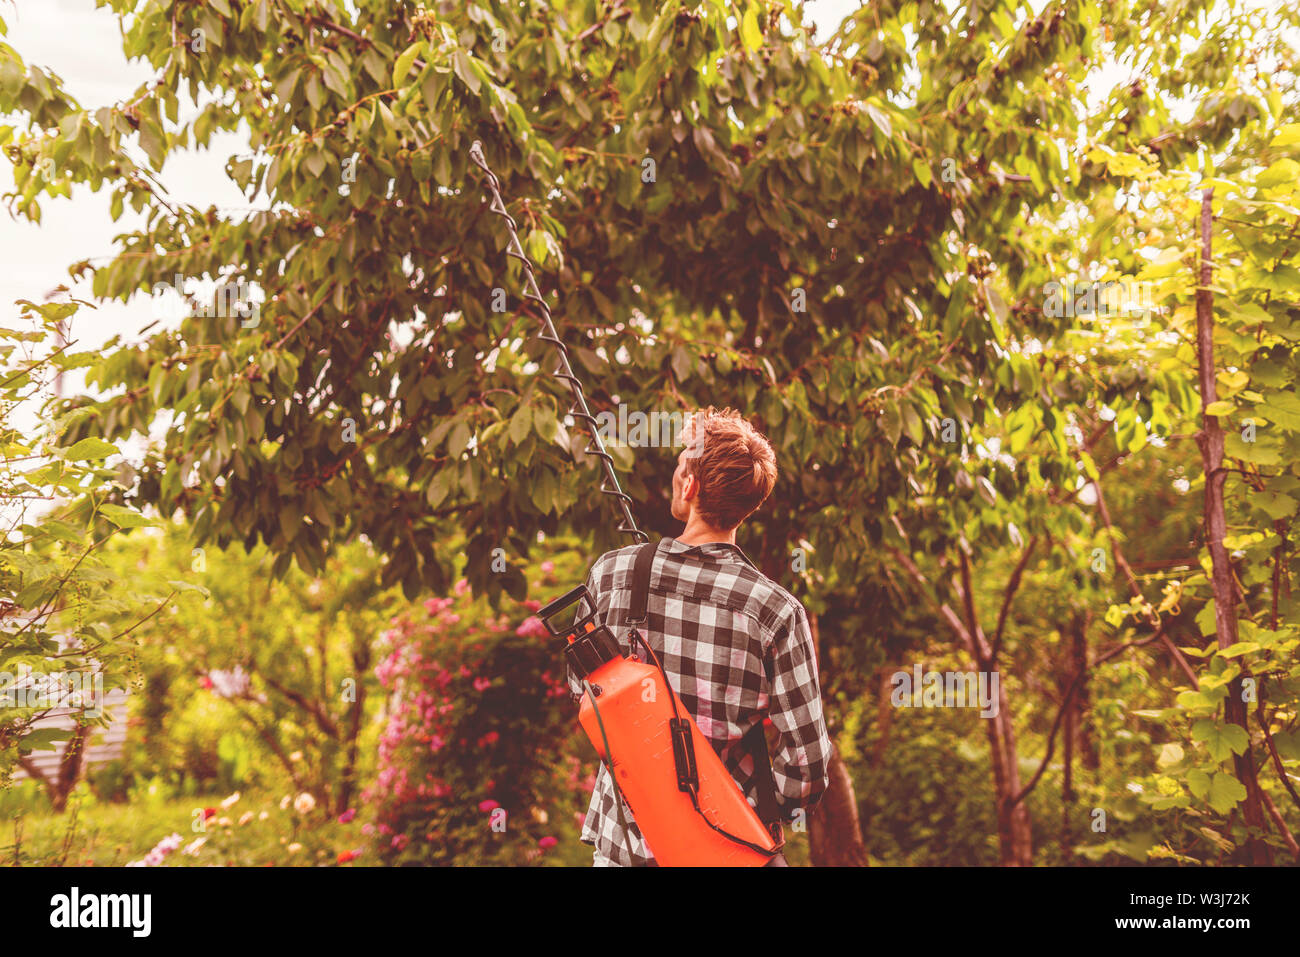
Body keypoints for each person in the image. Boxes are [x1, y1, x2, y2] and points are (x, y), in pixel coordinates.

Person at [568, 406, 832, 866]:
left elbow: (584, 694)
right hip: (723, 851)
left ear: (689, 486)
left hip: (623, 848)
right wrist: (748, 817)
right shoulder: (775, 612)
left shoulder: (613, 571)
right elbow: (809, 762)